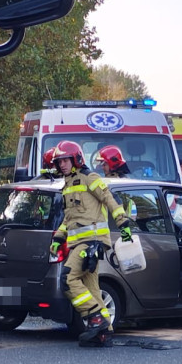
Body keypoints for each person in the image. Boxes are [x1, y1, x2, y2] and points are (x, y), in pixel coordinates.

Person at [49, 140, 132, 347]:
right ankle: (104, 333)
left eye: (66, 160)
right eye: (59, 162)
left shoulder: (90, 178)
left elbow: (109, 199)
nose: (62, 165)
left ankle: (95, 318)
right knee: (92, 287)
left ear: (75, 159)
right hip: (79, 242)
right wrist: (59, 238)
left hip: (92, 242)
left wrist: (123, 223)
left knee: (68, 279)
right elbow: (69, 217)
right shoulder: (68, 184)